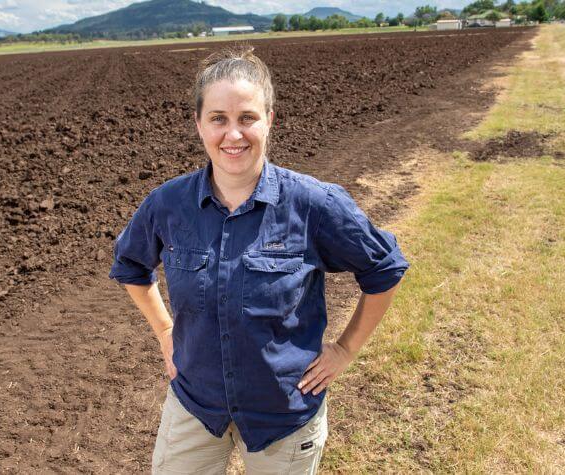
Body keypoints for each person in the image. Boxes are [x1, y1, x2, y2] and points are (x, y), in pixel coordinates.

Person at [109, 45, 409, 474]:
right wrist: (163, 330)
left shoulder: (313, 204)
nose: (233, 135)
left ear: (269, 120)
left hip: (283, 416)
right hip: (196, 405)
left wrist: (344, 350)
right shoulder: (168, 205)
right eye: (219, 119)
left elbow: (384, 269)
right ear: (199, 125)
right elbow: (131, 267)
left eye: (247, 117)